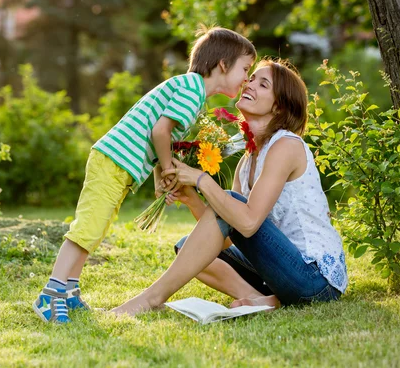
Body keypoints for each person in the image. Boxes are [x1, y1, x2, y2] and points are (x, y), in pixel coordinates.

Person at [33, 27, 257, 323]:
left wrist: (158, 176)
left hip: (117, 164)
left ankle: (69, 292)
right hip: (113, 161)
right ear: (223, 65)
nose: (246, 78)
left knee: (95, 228)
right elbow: (159, 131)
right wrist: (166, 168)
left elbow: (156, 133)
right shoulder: (192, 90)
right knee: (88, 227)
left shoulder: (191, 89)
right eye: (245, 69)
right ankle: (50, 294)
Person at [112, 58, 348, 316]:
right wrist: (191, 197)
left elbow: (246, 223)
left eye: (263, 83)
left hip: (314, 280)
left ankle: (151, 298)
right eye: (251, 77)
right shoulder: (247, 160)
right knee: (188, 249)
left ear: (279, 106)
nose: (249, 83)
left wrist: (201, 179)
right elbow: (223, 233)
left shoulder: (286, 146)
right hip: (277, 272)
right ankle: (260, 299)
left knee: (231, 202)